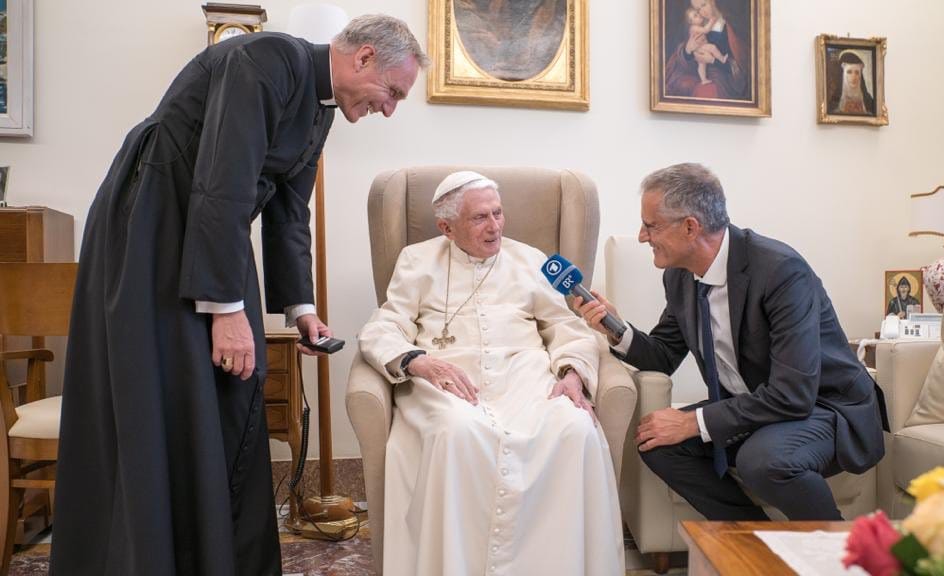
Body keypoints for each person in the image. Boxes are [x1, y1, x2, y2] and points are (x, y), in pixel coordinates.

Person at [50, 15, 428, 576]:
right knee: (166, 391)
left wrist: (301, 309)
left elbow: (287, 211)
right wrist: (227, 312)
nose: (390, 108)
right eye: (392, 92)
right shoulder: (267, 59)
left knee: (228, 394)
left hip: (207, 235)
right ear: (364, 57)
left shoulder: (320, 109)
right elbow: (223, 180)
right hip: (153, 224)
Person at [575, 163, 887, 522]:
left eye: (651, 225)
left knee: (764, 460)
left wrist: (693, 422)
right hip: (757, 405)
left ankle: (841, 556)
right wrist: (615, 329)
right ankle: (752, 543)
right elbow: (663, 355)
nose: (643, 236)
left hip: (824, 406)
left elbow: (793, 393)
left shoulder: (780, 271)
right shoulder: (680, 277)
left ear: (690, 227)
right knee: (658, 445)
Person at [358, 171, 624, 576]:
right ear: (446, 227)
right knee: (455, 431)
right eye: (480, 218)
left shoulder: (533, 260)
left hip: (525, 377)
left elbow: (565, 326)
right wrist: (417, 362)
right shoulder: (416, 261)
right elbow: (385, 326)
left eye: (498, 213)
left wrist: (572, 374)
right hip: (448, 380)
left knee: (574, 428)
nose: (495, 226)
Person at [665, 0, 748, 100]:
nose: (702, 12)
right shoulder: (699, 26)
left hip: (721, 76)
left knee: (705, 93)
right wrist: (688, 50)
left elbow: (741, 66)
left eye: (703, 5)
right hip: (696, 71)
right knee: (680, 85)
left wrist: (712, 60)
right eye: (697, 9)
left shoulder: (731, 26)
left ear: (713, 1)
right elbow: (683, 58)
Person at [684, 7, 729, 85]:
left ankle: (703, 80)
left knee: (702, 65)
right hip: (700, 47)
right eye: (695, 15)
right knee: (712, 48)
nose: (699, 15)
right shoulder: (694, 27)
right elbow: (706, 30)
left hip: (702, 48)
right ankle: (722, 59)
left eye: (697, 13)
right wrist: (712, 20)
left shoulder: (701, 25)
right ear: (691, 22)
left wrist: (712, 60)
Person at [828, 51, 876, 115]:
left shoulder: (869, 101)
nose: (853, 77)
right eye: (849, 72)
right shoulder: (834, 101)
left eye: (857, 72)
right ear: (843, 75)